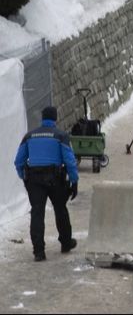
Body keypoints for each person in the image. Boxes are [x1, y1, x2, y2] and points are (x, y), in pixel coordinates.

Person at [14, 106, 78, 262]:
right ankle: (66, 243)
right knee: (60, 209)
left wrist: (24, 178)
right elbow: (70, 161)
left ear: (42, 118)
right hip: (55, 179)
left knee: (37, 213)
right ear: (55, 119)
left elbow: (18, 162)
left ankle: (39, 252)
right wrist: (74, 181)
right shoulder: (61, 136)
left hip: (34, 180)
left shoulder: (29, 136)